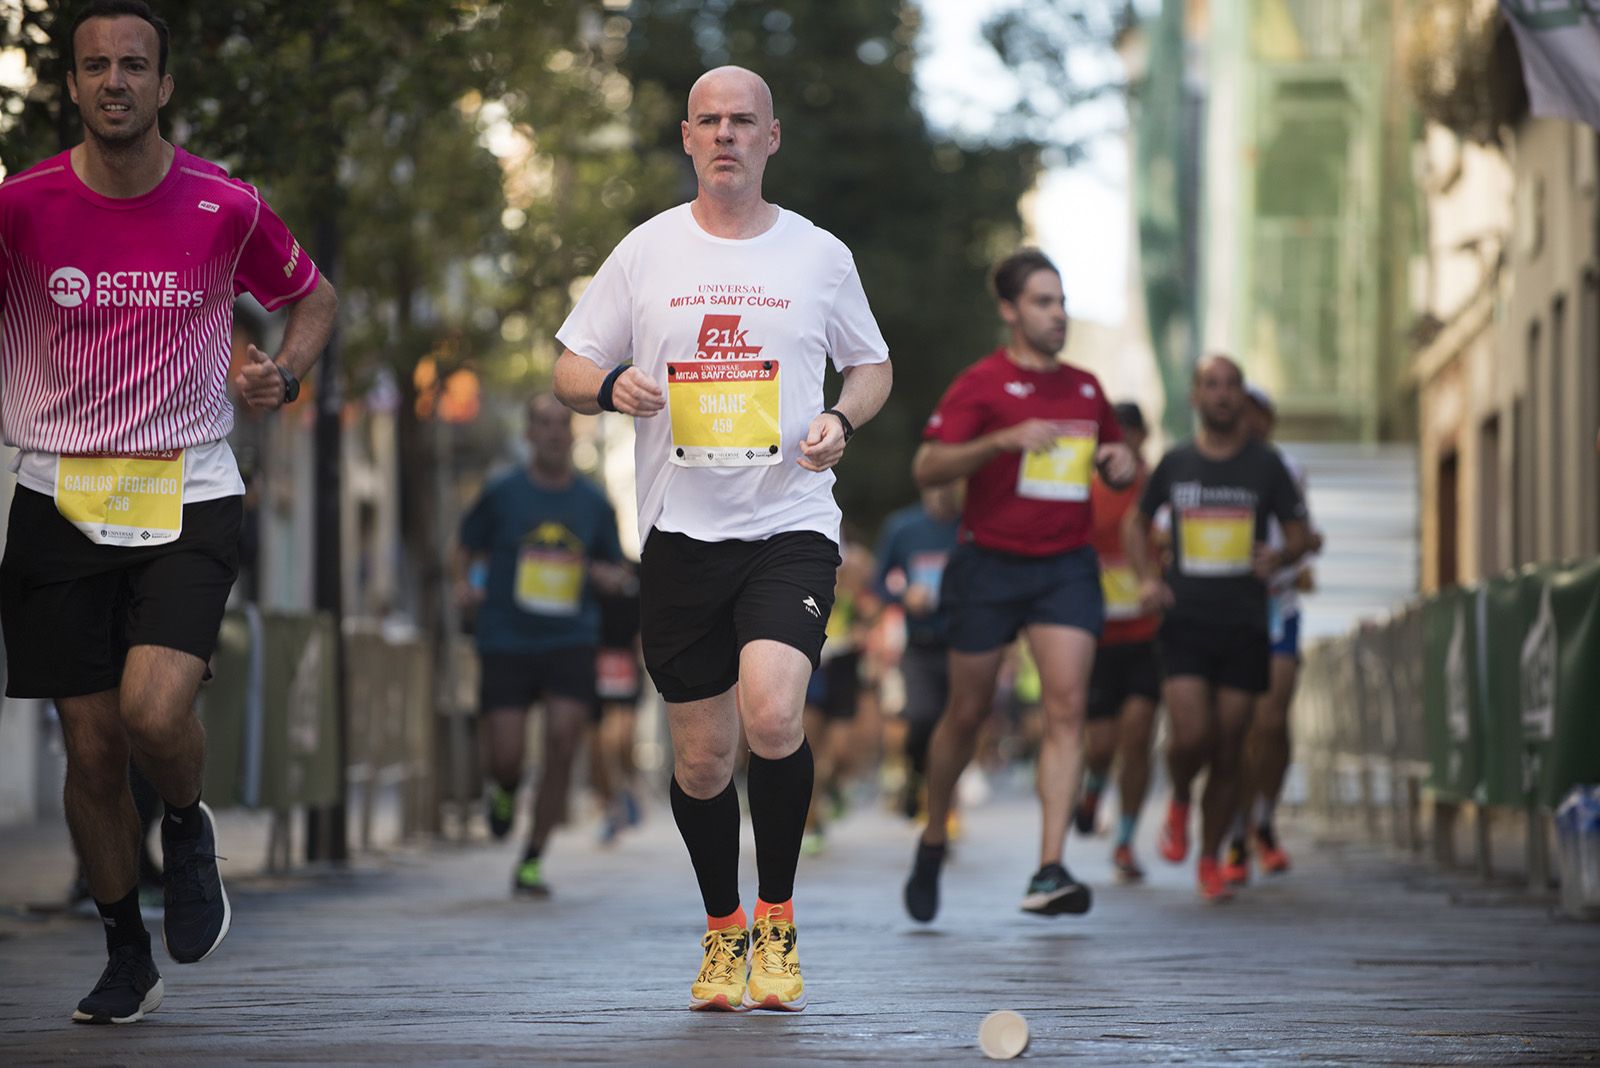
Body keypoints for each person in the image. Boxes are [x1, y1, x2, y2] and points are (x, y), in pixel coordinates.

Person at [0, 0, 337, 1024]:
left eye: (133, 65)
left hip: (186, 487)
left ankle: (186, 825)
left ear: (163, 85)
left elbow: (314, 300)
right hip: (55, 491)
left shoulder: (221, 206)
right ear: (71, 85)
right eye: (95, 64)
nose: (114, 81)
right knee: (92, 749)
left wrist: (282, 370)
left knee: (152, 714)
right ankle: (121, 950)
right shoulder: (18, 207)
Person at [552, 66, 892, 1012]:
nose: (727, 136)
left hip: (789, 521)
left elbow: (873, 365)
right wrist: (610, 383)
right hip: (679, 532)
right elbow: (569, 366)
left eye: (744, 121)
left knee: (774, 714)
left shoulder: (818, 255)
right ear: (688, 138)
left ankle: (777, 920)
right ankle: (723, 931)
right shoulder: (647, 252)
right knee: (701, 760)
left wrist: (842, 420)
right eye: (710, 121)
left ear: (772, 137)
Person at [902, 249, 1135, 924]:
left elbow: (1117, 464)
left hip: (1065, 565)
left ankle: (1049, 867)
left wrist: (1121, 462)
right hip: (990, 564)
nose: (1057, 314)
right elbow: (927, 465)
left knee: (1067, 710)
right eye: (1042, 302)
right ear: (1009, 310)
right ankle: (934, 833)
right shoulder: (981, 384)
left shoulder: (1088, 390)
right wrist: (1001, 441)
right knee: (966, 713)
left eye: (1061, 302)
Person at [1123, 355, 1311, 902]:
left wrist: (1277, 556)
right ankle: (1180, 797)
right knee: (1192, 736)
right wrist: (1145, 579)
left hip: (1246, 620)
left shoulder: (1266, 465)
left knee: (1230, 746)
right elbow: (1135, 522)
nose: (1224, 395)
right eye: (1212, 386)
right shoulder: (1176, 463)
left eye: (1232, 386)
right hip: (1185, 618)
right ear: (1196, 398)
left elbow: (1301, 534)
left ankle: (1209, 858)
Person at [454, 394, 628, 895]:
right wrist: (463, 584)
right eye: (544, 424)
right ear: (529, 433)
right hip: (506, 634)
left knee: (563, 738)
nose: (554, 433)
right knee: (506, 754)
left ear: (572, 435)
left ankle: (532, 859)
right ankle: (505, 790)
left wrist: (605, 576)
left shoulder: (594, 503)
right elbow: (463, 547)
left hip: (570, 637)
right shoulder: (503, 493)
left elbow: (616, 568)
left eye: (561, 425)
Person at [1222, 385, 1324, 882]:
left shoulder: (1288, 470)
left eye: (1261, 415)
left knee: (1270, 720)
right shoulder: (1209, 463)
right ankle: (1237, 830)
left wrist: (1293, 558)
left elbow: (1307, 533)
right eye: (1245, 414)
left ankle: (1262, 821)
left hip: (1277, 608)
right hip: (1225, 609)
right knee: (1235, 726)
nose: (1253, 424)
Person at [1074, 401, 1161, 882]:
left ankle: (1125, 839)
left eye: (1132, 433)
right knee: (1102, 743)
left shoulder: (1157, 489)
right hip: (1099, 635)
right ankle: (1093, 785)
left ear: (1143, 437)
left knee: (1139, 735)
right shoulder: (1086, 492)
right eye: (1115, 434)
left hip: (1148, 634)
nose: (1124, 442)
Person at [873, 483, 961, 821]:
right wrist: (904, 597)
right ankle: (914, 773)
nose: (943, 492)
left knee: (955, 725)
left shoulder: (971, 527)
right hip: (920, 644)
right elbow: (878, 582)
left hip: (962, 644)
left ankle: (945, 806)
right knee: (921, 718)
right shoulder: (903, 528)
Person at [592, 580, 644, 845]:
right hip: (595, 663)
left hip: (624, 666)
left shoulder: (638, 575)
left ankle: (629, 792)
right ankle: (612, 806)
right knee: (600, 745)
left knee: (622, 742)